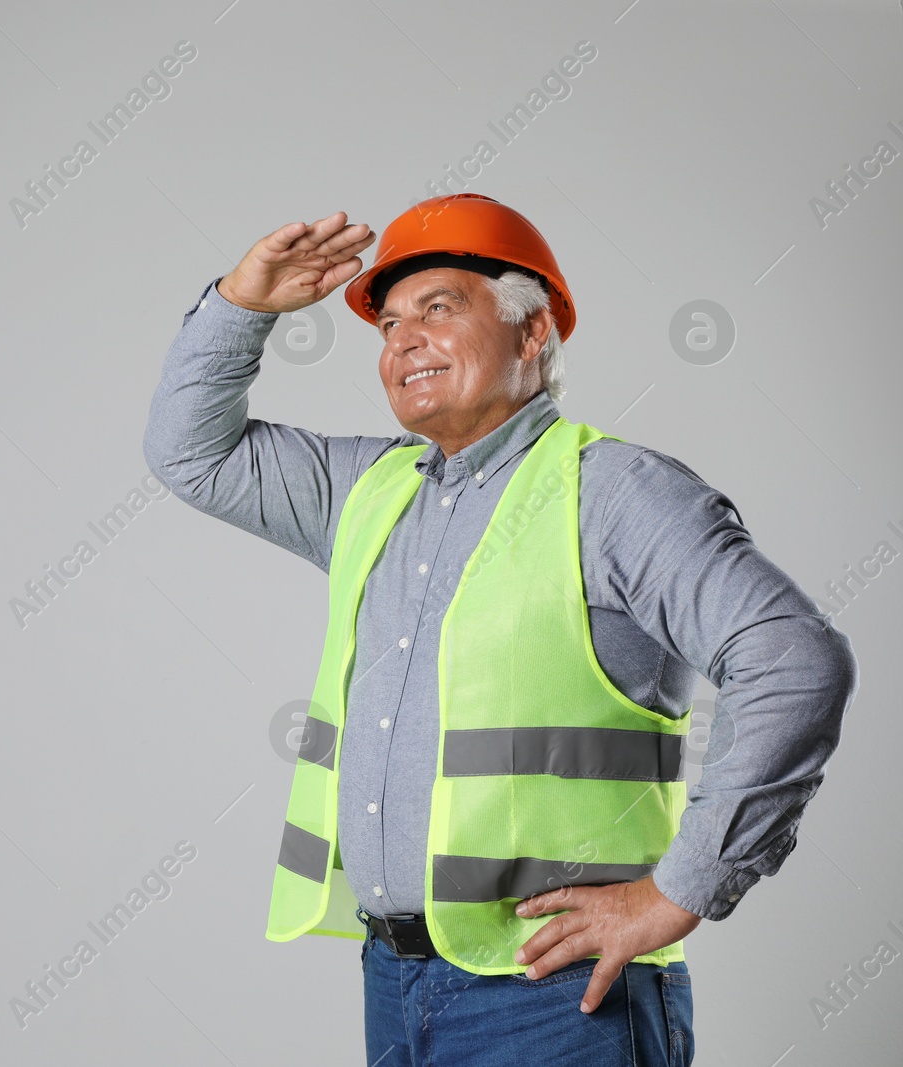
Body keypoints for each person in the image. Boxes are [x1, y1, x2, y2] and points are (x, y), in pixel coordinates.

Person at [140, 194, 859, 1066]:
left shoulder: (615, 493)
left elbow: (792, 656)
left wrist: (683, 888)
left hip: (556, 999)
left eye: (439, 308)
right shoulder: (369, 490)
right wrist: (240, 305)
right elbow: (190, 451)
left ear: (533, 335)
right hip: (393, 981)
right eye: (389, 323)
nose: (403, 339)